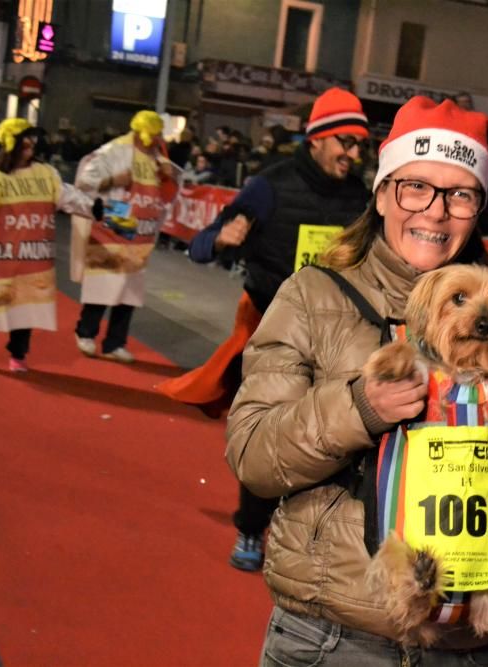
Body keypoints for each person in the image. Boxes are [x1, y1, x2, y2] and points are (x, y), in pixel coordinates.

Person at [225, 96, 488, 665]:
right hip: (335, 638)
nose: (436, 212)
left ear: (478, 207)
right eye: (416, 186)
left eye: (459, 193)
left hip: (467, 644)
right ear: (384, 193)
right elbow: (253, 457)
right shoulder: (313, 297)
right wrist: (360, 409)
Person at [156, 87, 371, 572]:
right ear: (316, 139)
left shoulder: (361, 199)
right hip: (271, 333)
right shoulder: (269, 187)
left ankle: (314, 535)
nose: (354, 154)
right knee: (271, 436)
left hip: (335, 339)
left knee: (329, 440)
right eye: (345, 143)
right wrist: (223, 237)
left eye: (360, 145)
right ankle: (251, 529)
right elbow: (200, 247)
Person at [0, 119, 100, 372]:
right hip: (3, 256)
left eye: (32, 139)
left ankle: (18, 354)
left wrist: (92, 207)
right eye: (25, 140)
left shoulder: (45, 173)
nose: (30, 145)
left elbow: (66, 196)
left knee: (28, 306)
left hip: (36, 256)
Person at [71, 110, 177, 363]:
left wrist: (167, 177)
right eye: (155, 135)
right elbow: (85, 182)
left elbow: (168, 190)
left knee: (130, 288)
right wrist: (113, 180)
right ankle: (86, 332)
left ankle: (115, 343)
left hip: (142, 229)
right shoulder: (114, 151)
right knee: (105, 280)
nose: (158, 140)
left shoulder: (158, 158)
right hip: (116, 219)